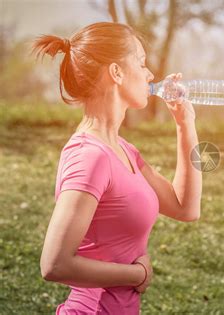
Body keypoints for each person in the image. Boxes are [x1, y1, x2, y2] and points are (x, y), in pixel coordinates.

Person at [31, 22, 202, 314]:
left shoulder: (124, 150)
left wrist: (186, 125)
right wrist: (137, 274)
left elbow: (185, 207)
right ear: (116, 72)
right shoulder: (89, 156)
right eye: (141, 62)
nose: (149, 74)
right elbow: (54, 264)